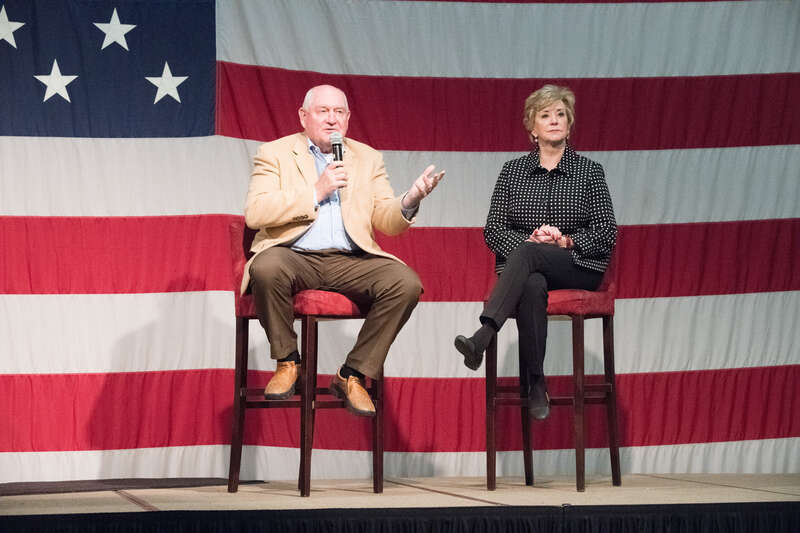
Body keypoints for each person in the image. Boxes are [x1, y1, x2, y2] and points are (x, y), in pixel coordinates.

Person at [243, 84, 444, 418]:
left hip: (351, 259)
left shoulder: (367, 158)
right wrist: (316, 191)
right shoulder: (274, 153)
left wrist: (410, 201)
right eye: (323, 111)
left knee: (404, 283)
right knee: (266, 267)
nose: (332, 119)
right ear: (303, 117)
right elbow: (256, 213)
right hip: (294, 254)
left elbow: (386, 220)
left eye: (339, 112)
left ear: (348, 118)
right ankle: (288, 361)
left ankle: (351, 374)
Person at [454, 84, 616, 420]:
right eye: (546, 115)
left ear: (569, 124)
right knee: (531, 283)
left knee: (529, 255)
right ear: (532, 127)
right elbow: (493, 231)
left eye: (561, 114)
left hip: (577, 264)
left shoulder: (589, 172)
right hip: (528, 269)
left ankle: (483, 334)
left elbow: (606, 233)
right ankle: (537, 385)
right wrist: (531, 239)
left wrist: (565, 241)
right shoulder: (512, 172)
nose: (554, 121)